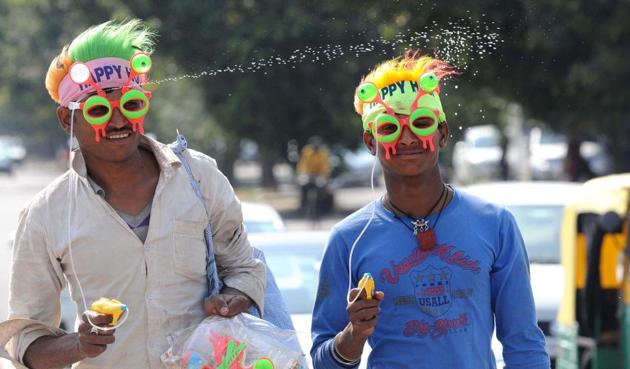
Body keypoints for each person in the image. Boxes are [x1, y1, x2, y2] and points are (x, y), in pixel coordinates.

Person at [4, 20, 266, 369]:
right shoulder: (45, 214)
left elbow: (245, 268)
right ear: (66, 119)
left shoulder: (198, 177)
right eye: (98, 110)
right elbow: (25, 340)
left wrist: (234, 298)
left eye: (130, 105)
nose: (117, 123)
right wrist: (78, 346)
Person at [310, 50, 550, 368]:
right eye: (389, 128)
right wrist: (355, 333)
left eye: (421, 124)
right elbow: (322, 360)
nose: (408, 138)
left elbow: (525, 345)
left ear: (442, 134)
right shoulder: (348, 239)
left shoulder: (495, 224)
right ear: (371, 142)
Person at [296, 135, 332, 213]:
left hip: (319, 175)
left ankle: (322, 203)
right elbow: (303, 164)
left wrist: (324, 175)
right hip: (308, 174)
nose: (316, 147)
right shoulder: (306, 151)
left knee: (322, 185)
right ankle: (303, 203)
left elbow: (326, 165)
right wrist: (302, 173)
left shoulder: (323, 152)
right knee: (302, 184)